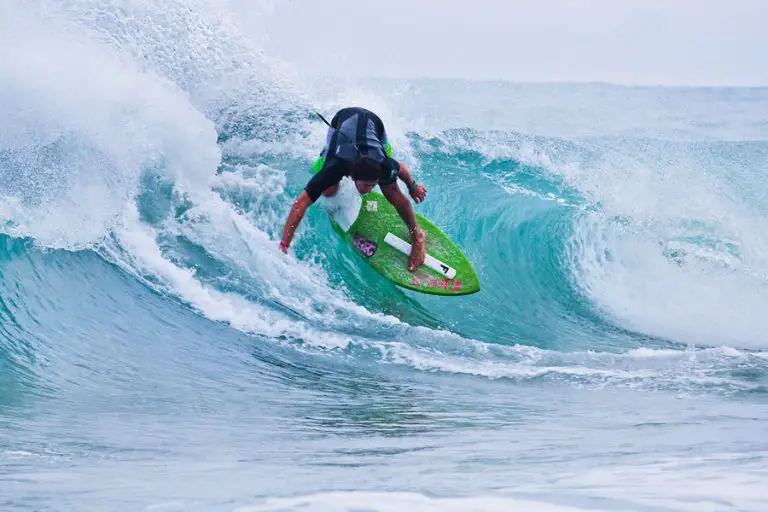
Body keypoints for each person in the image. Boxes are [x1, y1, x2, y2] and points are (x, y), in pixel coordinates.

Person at [278, 107, 428, 270]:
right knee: (328, 191)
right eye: (366, 185)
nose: (370, 190)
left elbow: (402, 170)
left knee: (391, 191)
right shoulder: (335, 166)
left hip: (373, 124)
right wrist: (284, 244)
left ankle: (417, 235)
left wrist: (413, 187)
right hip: (341, 121)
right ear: (353, 177)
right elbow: (300, 203)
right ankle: (323, 157)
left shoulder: (383, 164)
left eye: (373, 184)